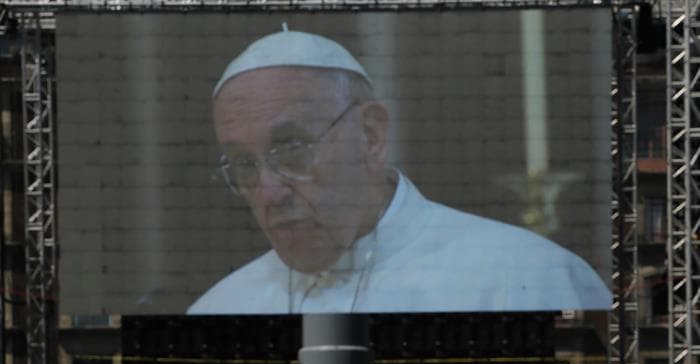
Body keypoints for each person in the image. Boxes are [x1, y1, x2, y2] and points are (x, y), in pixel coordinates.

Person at [187, 28, 611, 316]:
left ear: (370, 136)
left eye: (292, 148)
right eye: (244, 165)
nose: (267, 193)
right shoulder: (220, 307)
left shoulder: (528, 276)